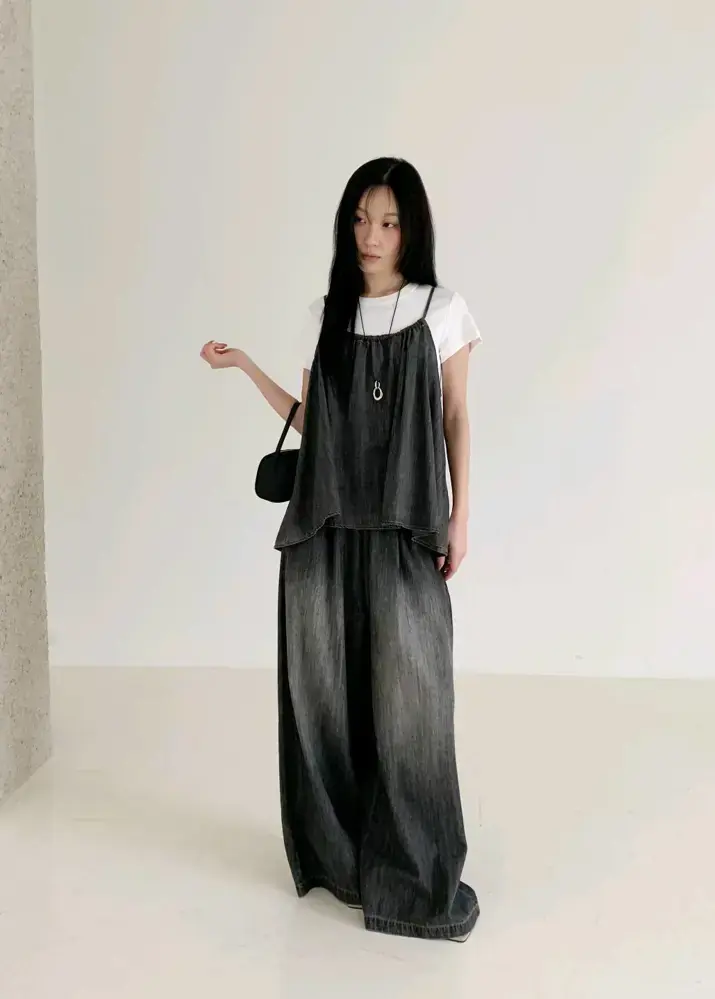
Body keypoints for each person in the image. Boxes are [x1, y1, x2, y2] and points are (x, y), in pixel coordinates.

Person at [200, 157, 481, 941]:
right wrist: (244, 366)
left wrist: (461, 517)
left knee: (413, 706)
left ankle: (416, 881)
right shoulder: (325, 314)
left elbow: (456, 415)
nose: (371, 235)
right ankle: (345, 862)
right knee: (328, 702)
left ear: (411, 228)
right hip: (324, 536)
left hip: (405, 531)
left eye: (388, 221)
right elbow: (314, 421)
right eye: (360, 218)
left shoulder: (443, 310)